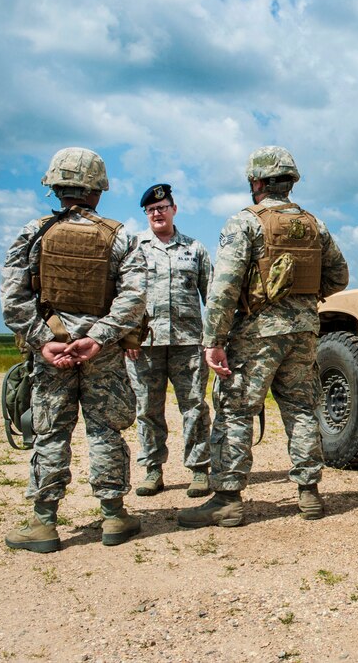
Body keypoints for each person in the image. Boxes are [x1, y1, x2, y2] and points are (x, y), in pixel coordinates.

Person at [177, 146, 349, 528]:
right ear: (289, 182)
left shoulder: (245, 223)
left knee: (237, 410)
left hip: (257, 333)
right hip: (304, 331)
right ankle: (309, 494)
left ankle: (227, 499)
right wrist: (303, 300)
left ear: (256, 182)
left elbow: (223, 288)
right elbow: (340, 277)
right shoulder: (314, 224)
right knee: (302, 408)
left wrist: (214, 340)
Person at [0, 147, 147, 552]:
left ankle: (44, 523)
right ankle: (114, 516)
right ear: (98, 191)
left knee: (50, 433)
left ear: (57, 188)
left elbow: (13, 299)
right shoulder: (121, 237)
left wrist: (44, 342)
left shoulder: (34, 233)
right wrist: (98, 338)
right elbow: (133, 300)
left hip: (53, 353)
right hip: (103, 354)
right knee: (106, 430)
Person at [126, 184, 213, 498]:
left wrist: (214, 339)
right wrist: (126, 335)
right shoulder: (133, 247)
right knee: (147, 410)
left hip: (189, 344)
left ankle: (199, 469)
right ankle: (152, 470)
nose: (156, 213)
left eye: (162, 207)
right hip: (143, 346)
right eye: (151, 210)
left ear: (174, 209)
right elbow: (122, 295)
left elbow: (212, 296)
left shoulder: (195, 249)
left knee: (194, 408)